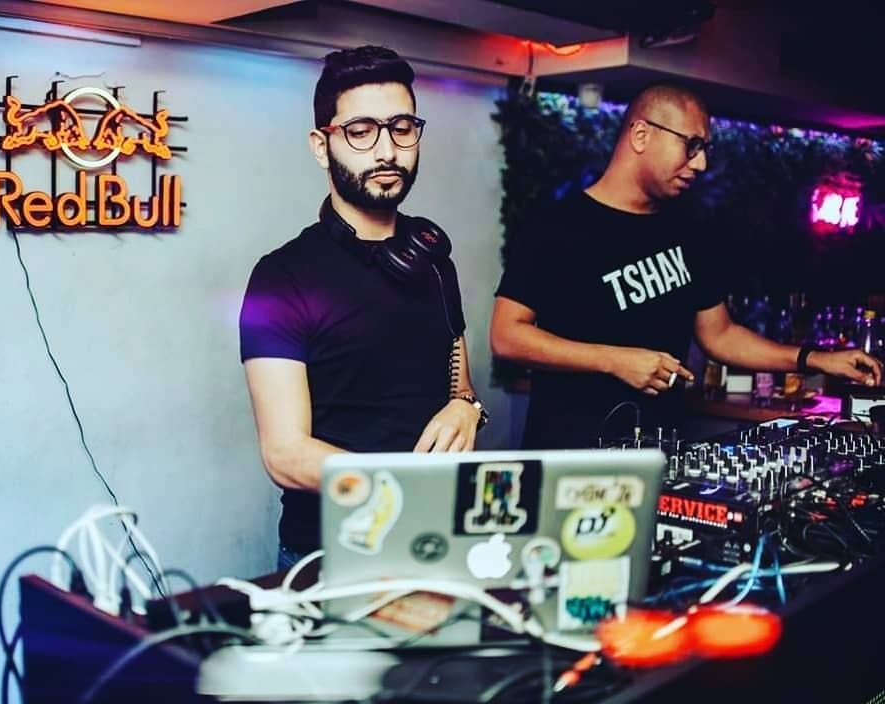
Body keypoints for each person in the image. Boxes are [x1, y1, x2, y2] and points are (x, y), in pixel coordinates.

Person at [490, 83, 883, 450]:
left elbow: (720, 335)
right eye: (691, 146)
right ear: (641, 135)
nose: (701, 163)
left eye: (706, 149)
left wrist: (814, 359)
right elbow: (507, 336)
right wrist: (614, 360)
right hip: (570, 455)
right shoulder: (557, 225)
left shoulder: (690, 231)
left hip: (659, 453)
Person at [239, 46, 488, 569]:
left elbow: (459, 387)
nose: (387, 151)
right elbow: (285, 454)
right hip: (332, 549)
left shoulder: (432, 257)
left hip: (437, 537)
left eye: (402, 128)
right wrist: (400, 490)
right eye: (361, 131)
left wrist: (467, 408)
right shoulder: (280, 278)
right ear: (321, 145)